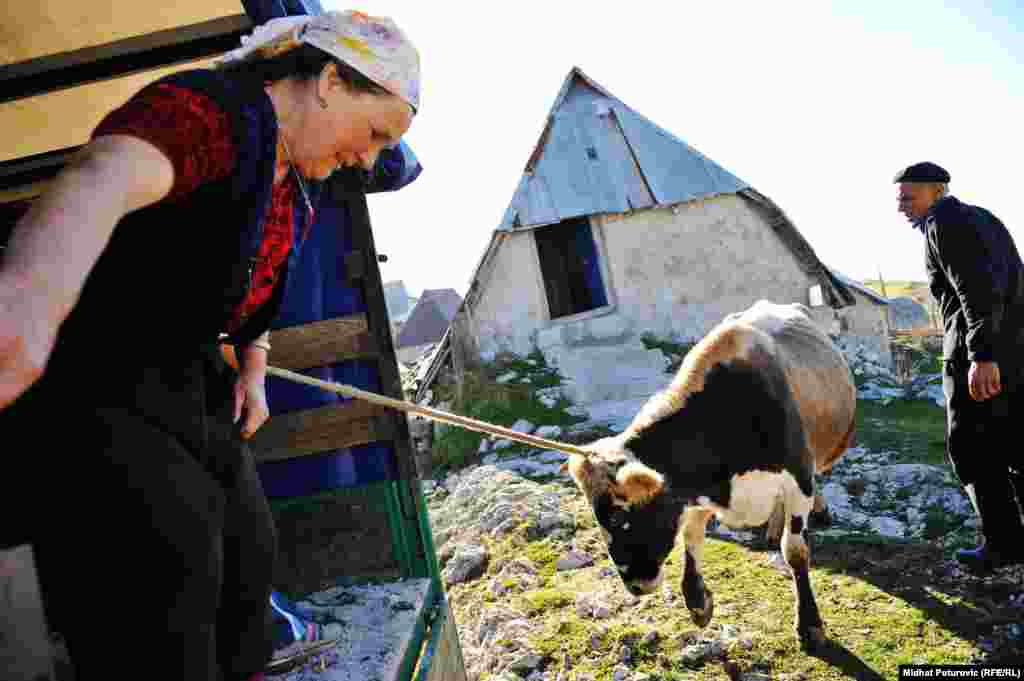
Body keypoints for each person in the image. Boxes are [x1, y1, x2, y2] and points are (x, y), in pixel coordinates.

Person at [0, 10, 420, 680]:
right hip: (95, 376)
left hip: (182, 371)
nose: (368, 158)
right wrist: (27, 296)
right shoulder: (212, 114)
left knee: (247, 549)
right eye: (374, 134)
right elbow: (100, 176)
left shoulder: (295, 185)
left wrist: (253, 372)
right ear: (332, 81)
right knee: (166, 561)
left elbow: (254, 301)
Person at [895, 161, 1024, 573]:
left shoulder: (943, 222)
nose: (901, 207)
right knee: (1015, 446)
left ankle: (1003, 544)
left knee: (972, 448)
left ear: (937, 190)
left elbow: (975, 288)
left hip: (978, 356)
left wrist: (982, 356)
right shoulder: (985, 218)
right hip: (1015, 353)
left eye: (907, 197)